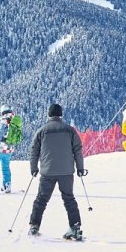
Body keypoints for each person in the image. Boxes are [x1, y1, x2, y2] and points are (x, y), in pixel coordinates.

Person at [28, 103, 87, 240]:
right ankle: (75, 227)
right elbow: (77, 150)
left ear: (48, 115)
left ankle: (34, 226)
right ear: (61, 115)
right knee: (69, 199)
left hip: (47, 172)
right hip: (66, 172)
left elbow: (34, 151)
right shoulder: (70, 130)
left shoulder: (42, 130)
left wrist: (33, 168)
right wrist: (80, 168)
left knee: (41, 199)